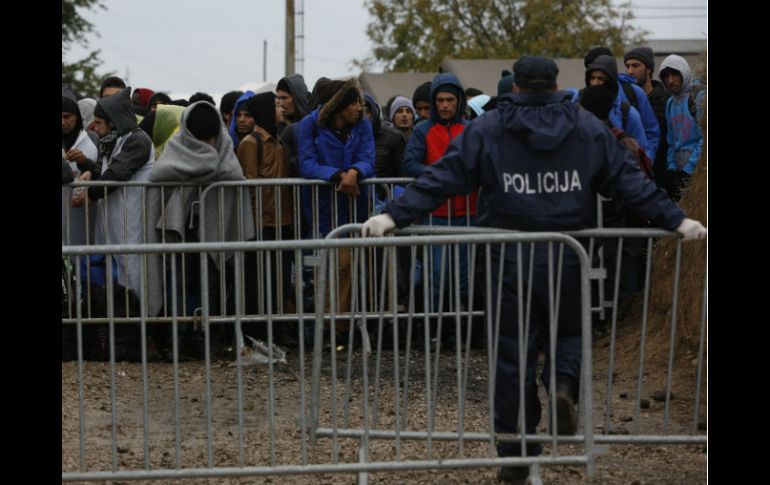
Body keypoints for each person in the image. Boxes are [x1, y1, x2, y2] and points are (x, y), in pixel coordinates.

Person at [361, 55, 706, 484]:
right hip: (567, 253)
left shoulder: (489, 128)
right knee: (568, 335)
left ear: (517, 87)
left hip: (509, 258)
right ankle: (563, 384)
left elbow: (443, 178)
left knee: (511, 355)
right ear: (554, 84)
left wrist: (394, 215)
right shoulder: (585, 127)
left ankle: (515, 451)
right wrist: (677, 219)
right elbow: (627, 178)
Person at [624, 46, 672, 188]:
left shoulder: (666, 99)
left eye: (635, 65)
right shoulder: (624, 100)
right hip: (636, 175)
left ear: (649, 69)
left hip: (664, 175)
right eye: (627, 66)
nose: (630, 71)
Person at [659, 54, 705, 201]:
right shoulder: (670, 104)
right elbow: (671, 141)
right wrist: (672, 169)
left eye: (675, 74)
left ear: (684, 74)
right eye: (666, 76)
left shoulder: (698, 97)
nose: (670, 81)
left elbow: (704, 138)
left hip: (699, 171)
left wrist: (688, 169)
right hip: (679, 171)